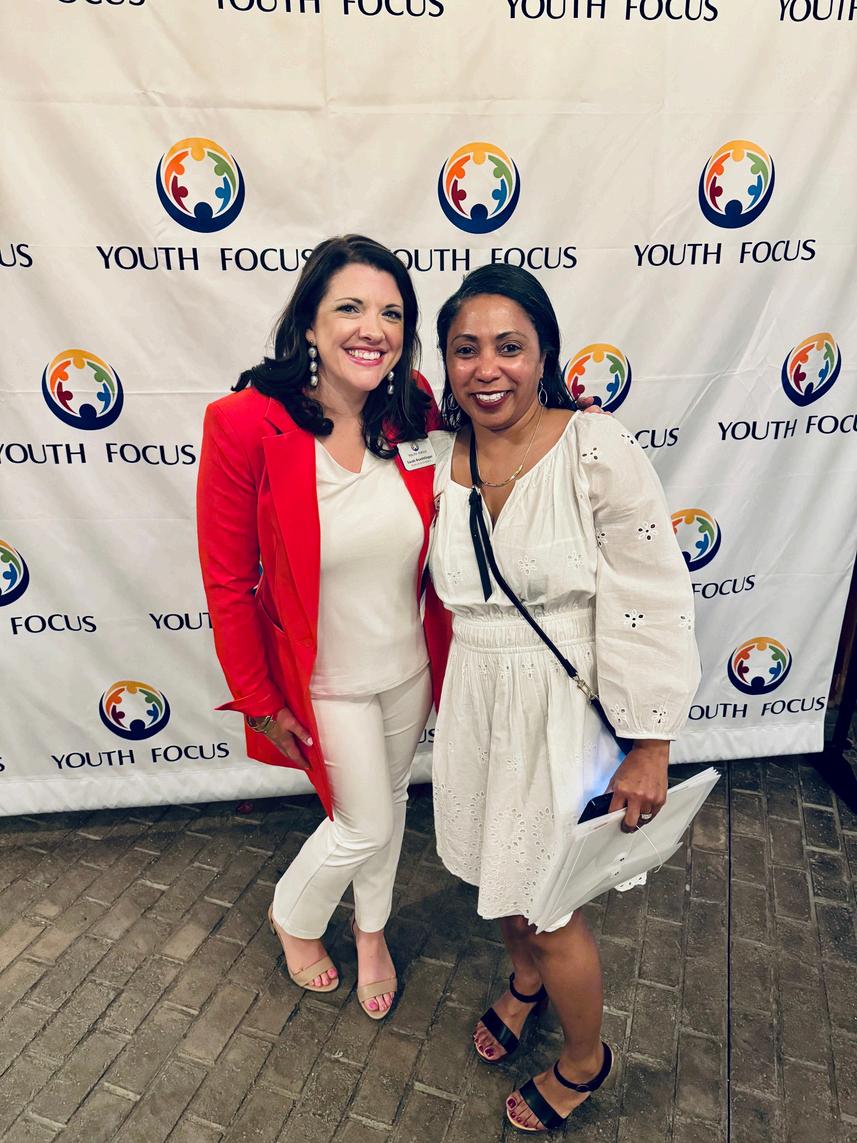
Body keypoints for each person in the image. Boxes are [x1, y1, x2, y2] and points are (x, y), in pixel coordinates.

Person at [428, 264, 700, 1132]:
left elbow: (650, 593)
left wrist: (650, 743)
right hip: (476, 697)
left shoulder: (594, 447)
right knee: (498, 876)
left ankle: (585, 1060)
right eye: (465, 348)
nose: (486, 368)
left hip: (560, 707)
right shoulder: (435, 457)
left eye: (509, 346)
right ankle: (524, 983)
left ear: (543, 353)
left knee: (547, 907)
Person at [196, 235, 450, 1018]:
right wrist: (258, 696)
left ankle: (371, 931)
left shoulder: (411, 404)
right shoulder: (245, 422)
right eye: (350, 308)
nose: (373, 329)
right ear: (309, 322)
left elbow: (474, 472)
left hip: (407, 666)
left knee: (391, 804)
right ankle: (295, 915)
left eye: (392, 314)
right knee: (360, 823)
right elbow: (227, 581)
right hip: (322, 679)